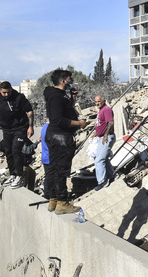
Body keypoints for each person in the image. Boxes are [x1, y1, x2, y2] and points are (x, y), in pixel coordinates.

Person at [43, 69, 88, 214]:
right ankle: (62, 202)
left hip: (56, 137)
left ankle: (54, 199)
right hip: (60, 138)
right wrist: (79, 124)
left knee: (55, 168)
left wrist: (72, 98)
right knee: (60, 170)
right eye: (70, 79)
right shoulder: (57, 97)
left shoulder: (58, 95)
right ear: (63, 81)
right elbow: (58, 120)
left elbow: (65, 111)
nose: (72, 81)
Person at [0, 81, 34, 189]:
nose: (6, 95)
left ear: (11, 89)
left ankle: (20, 176)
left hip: (20, 128)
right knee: (8, 151)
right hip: (6, 129)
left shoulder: (19, 97)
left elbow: (29, 111)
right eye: (4, 93)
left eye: (8, 92)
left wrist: (30, 126)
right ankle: (13, 174)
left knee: (16, 150)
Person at [92, 95, 115, 191]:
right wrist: (95, 133)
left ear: (104, 101)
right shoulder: (101, 110)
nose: (97, 103)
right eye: (96, 102)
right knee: (103, 158)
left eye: (99, 101)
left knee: (99, 160)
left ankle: (102, 182)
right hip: (102, 137)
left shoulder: (106, 109)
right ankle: (111, 176)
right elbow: (101, 124)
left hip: (107, 137)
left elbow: (110, 122)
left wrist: (105, 135)